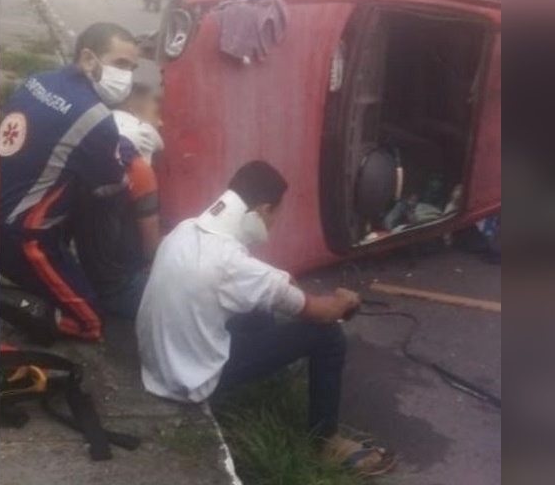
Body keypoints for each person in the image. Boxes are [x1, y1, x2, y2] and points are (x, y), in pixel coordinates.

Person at [136, 161, 396, 475]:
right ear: (262, 210)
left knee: (262, 308)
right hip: (189, 382)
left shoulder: (184, 230)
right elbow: (322, 312)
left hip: (157, 366)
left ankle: (274, 380)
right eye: (276, 213)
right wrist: (343, 301)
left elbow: (259, 285)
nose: (275, 223)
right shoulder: (232, 263)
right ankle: (327, 442)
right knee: (326, 336)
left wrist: (281, 286)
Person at [1, 22, 139, 342]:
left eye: (132, 68)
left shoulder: (37, 80)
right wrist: (122, 154)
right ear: (89, 60)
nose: (127, 76)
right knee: (90, 323)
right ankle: (3, 304)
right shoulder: (94, 117)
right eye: (120, 64)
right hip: (22, 236)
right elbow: (111, 182)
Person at [72, 60, 165, 320]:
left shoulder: (94, 135)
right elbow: (151, 251)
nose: (162, 118)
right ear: (135, 103)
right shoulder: (138, 166)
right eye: (158, 105)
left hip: (85, 266)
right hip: (118, 286)